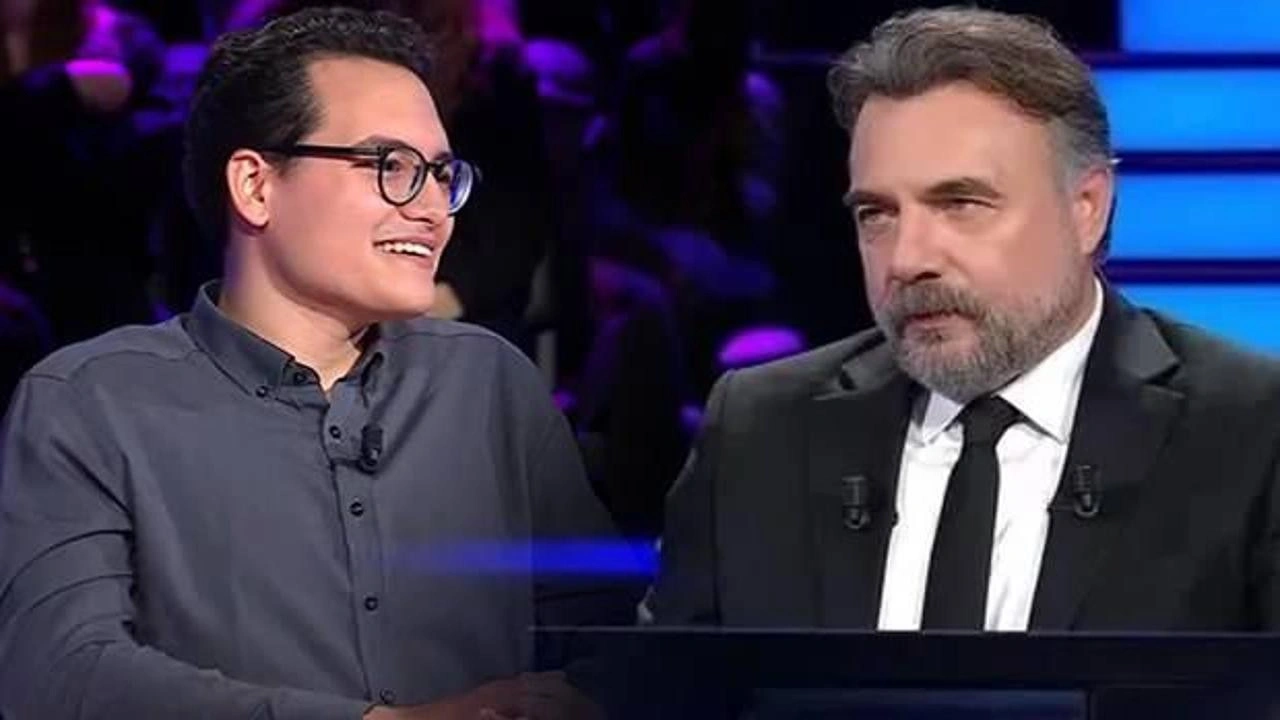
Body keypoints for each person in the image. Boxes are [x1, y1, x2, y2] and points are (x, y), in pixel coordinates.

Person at [0, 7, 631, 719]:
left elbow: (610, 640)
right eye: (391, 167)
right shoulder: (89, 402)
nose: (434, 209)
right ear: (256, 186)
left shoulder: (492, 385)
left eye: (441, 174)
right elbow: (55, 673)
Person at [649, 7, 1280, 632]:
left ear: (1086, 208)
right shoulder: (760, 433)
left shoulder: (1251, 433)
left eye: (960, 203)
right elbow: (668, 682)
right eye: (877, 214)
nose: (907, 259)